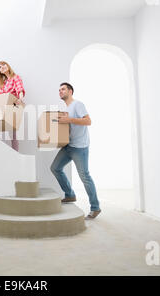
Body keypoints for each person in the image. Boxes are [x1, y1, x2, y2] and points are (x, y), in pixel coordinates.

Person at [50, 82, 101, 220]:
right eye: (59, 90)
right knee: (55, 168)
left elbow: (88, 121)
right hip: (68, 145)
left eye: (63, 89)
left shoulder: (78, 104)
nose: (60, 91)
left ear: (70, 91)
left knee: (85, 176)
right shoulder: (66, 108)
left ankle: (95, 207)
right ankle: (70, 194)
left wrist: (69, 119)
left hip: (80, 147)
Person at [0, 61, 25, 151]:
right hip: (4, 108)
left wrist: (20, 99)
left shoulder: (15, 78)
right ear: (0, 72)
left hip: (14, 106)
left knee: (13, 134)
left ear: (8, 66)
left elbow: (20, 90)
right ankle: (4, 150)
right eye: (0, 67)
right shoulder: (4, 84)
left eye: (3, 64)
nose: (2, 67)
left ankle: (15, 153)